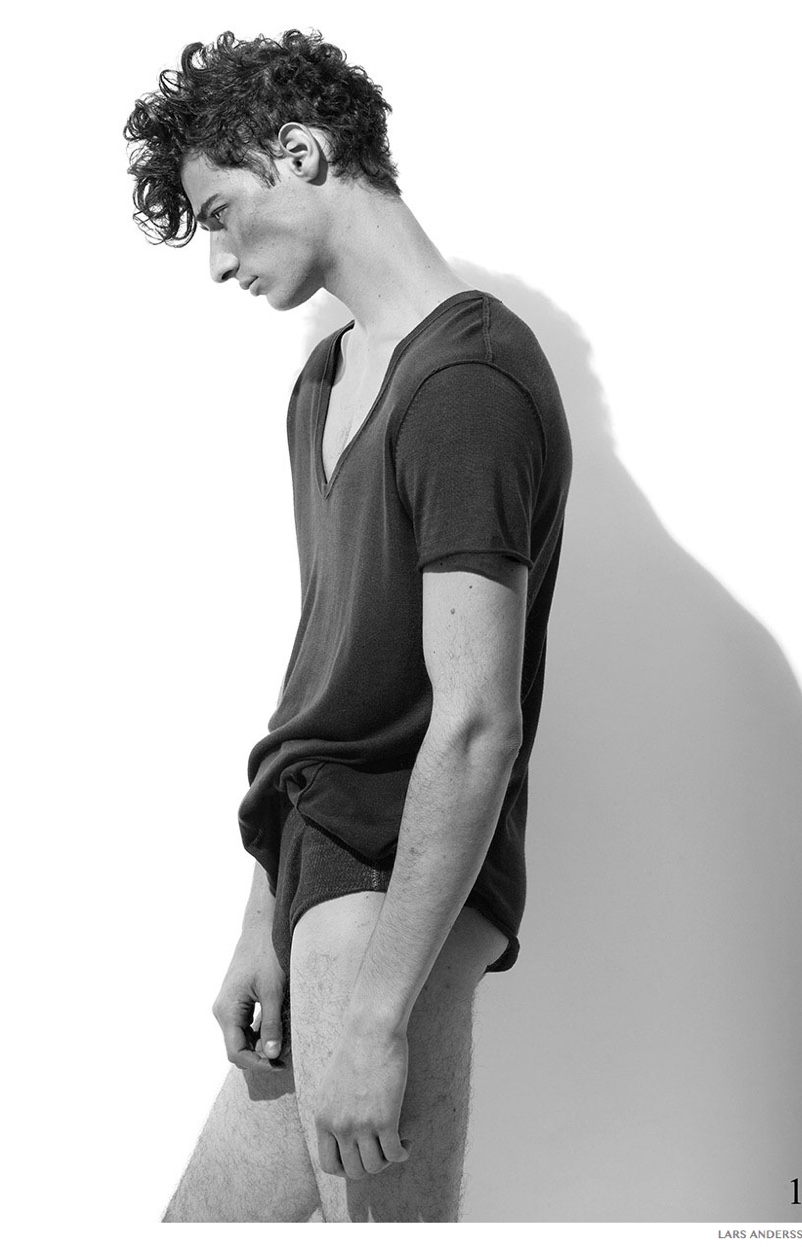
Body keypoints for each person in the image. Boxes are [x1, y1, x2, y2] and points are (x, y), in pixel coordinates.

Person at [124, 28, 572, 1223]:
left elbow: (474, 722)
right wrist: (260, 912)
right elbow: (325, 665)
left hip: (387, 884)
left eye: (220, 215)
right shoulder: (323, 381)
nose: (219, 260)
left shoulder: (467, 383)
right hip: (316, 871)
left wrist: (376, 1009)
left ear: (301, 153)